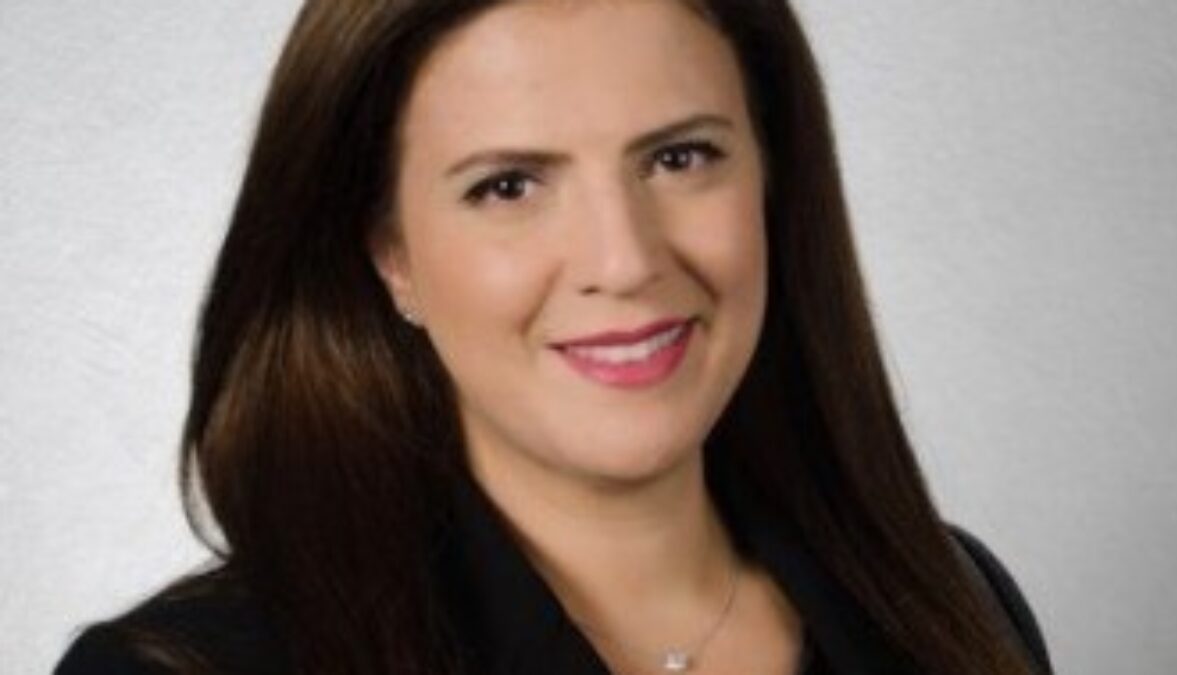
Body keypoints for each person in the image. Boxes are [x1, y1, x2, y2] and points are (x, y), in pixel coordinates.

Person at [56, 0, 1054, 673]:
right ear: (391, 254)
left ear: (772, 178)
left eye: (680, 157)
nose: (623, 259)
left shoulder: (954, 605)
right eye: (508, 186)